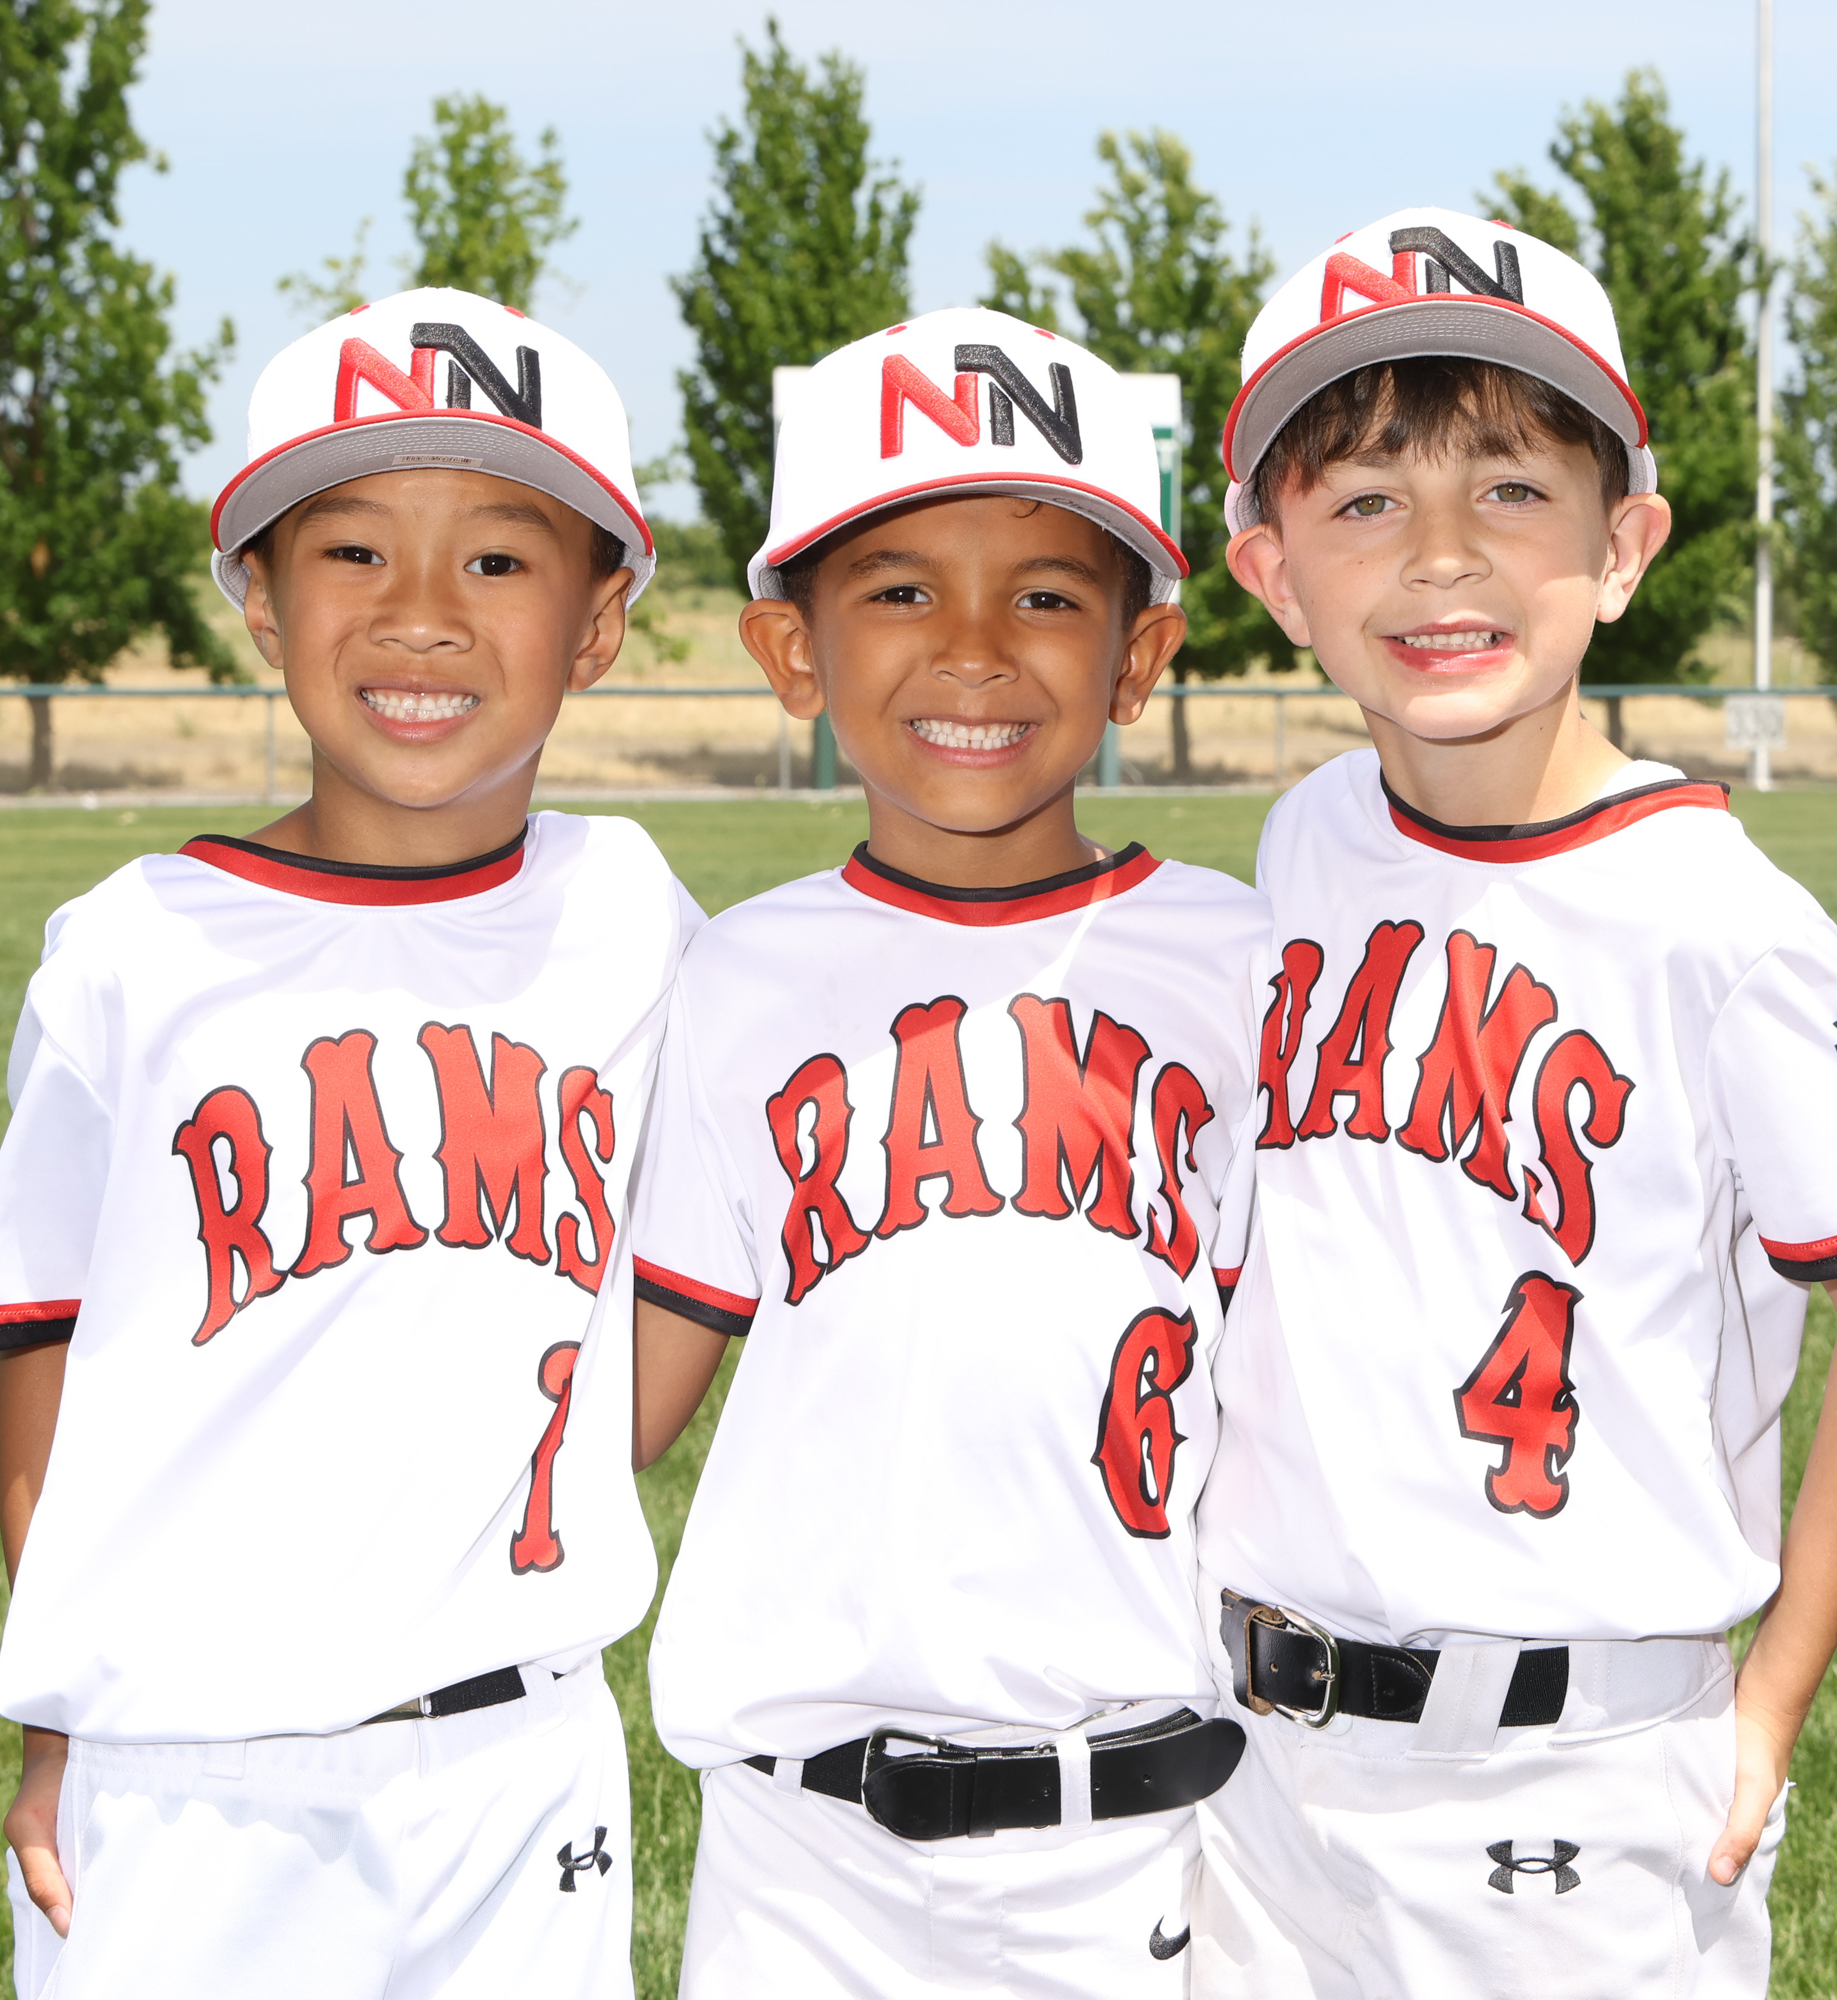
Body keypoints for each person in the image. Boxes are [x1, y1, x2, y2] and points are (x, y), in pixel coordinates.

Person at [1189, 207, 1837, 1998]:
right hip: (1264, 1765)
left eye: (1513, 490)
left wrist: (1773, 1695)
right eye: (1364, 500)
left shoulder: (1718, 918)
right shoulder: (1308, 836)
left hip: (1570, 1768)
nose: (1441, 557)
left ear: (1623, 547)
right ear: (1275, 577)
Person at [0, 288, 699, 1999]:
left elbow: (704, 1257)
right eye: (352, 551)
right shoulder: (133, 947)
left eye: (499, 559)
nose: (421, 613)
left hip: (520, 1756)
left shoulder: (632, 913)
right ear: (262, 603)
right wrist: (63, 1716)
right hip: (188, 1770)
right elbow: (45, 1342)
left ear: (597, 625)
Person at [630, 306, 1268, 1997]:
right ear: (793, 653)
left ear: (1140, 657)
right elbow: (631, 1394)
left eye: (1047, 597)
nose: (974, 652)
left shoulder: (1245, 962)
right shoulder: (736, 974)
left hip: (1136, 1823)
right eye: (901, 591)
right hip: (800, 1849)